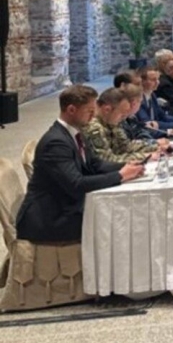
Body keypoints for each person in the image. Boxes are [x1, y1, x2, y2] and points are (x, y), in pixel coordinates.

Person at [15, 85, 145, 242]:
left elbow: (95, 165)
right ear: (71, 110)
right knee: (120, 222)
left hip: (65, 206)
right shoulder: (56, 143)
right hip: (51, 219)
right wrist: (120, 175)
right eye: (89, 111)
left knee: (124, 213)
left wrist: (128, 166)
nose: (93, 115)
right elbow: (76, 184)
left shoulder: (75, 132)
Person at [82, 88, 162, 164]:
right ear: (107, 109)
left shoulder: (110, 120)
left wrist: (156, 146)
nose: (123, 118)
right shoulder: (94, 127)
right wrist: (144, 156)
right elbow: (107, 160)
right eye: (122, 115)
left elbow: (125, 146)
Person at [136, 66, 173, 138]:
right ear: (142, 82)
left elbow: (162, 116)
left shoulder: (152, 94)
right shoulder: (138, 100)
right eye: (153, 80)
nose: (157, 82)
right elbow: (148, 124)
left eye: (158, 79)